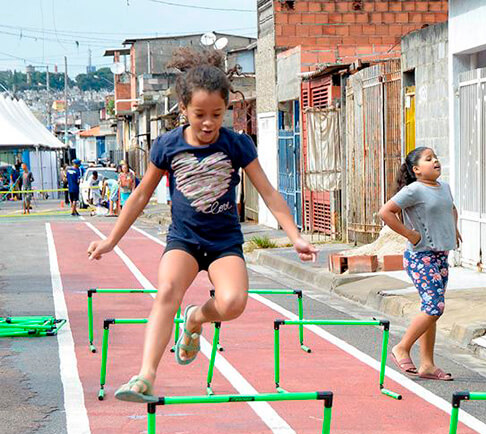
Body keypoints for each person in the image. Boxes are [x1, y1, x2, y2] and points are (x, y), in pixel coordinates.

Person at [86, 48, 318, 402]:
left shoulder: (236, 144)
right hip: (184, 240)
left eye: (216, 115)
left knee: (234, 302)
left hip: (224, 243)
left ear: (226, 109)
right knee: (166, 292)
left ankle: (195, 318)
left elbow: (269, 193)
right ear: (183, 109)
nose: (208, 123)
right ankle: (145, 376)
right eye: (199, 115)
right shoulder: (168, 146)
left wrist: (295, 236)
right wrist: (110, 240)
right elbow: (140, 196)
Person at [379, 146, 461, 381]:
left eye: (436, 157)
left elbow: (451, 209)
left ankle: (427, 365)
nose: (435, 161)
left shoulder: (444, 187)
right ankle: (402, 347)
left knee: (430, 310)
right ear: (416, 169)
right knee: (435, 307)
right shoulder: (413, 190)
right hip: (420, 256)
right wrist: (410, 234)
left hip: (440, 255)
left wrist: (454, 229)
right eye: (428, 159)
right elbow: (386, 212)